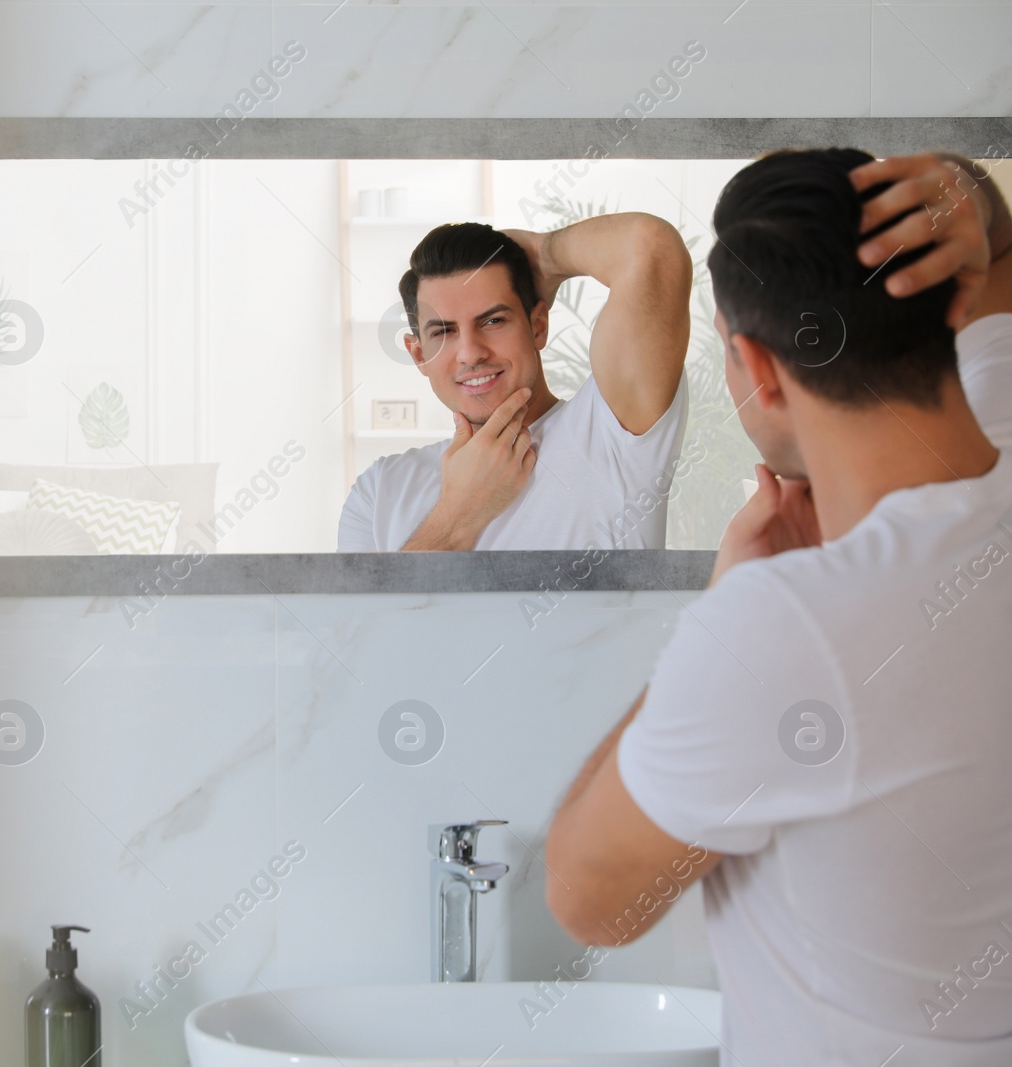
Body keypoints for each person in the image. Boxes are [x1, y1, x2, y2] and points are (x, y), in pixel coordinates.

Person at [544, 149, 1012, 1066]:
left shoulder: (790, 630)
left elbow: (589, 899)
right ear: (949, 298)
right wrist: (972, 201)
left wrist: (732, 598)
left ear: (755, 364)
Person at [336, 214, 691, 551]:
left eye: (492, 321)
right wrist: (459, 514)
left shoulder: (612, 434)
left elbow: (650, 247)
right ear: (418, 355)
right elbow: (356, 617)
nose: (470, 353)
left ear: (538, 325)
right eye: (444, 331)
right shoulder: (378, 490)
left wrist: (544, 255)